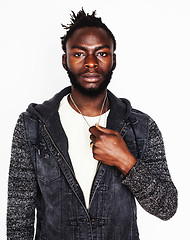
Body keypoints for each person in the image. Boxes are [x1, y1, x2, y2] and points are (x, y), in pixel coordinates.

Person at [7, 9, 178, 240]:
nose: (90, 63)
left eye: (101, 54)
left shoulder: (141, 127)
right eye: (79, 54)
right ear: (64, 60)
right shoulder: (33, 126)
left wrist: (125, 161)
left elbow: (167, 207)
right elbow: (19, 221)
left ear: (113, 59)